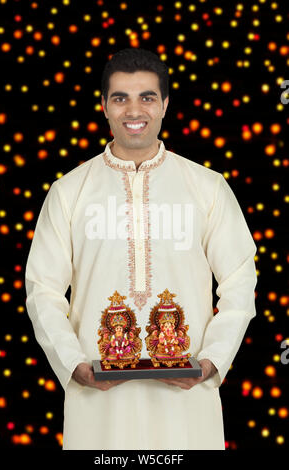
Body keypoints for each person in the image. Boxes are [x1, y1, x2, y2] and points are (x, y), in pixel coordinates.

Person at [25, 48, 257, 450]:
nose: (135, 110)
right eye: (121, 98)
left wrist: (211, 362)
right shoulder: (69, 192)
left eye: (147, 97)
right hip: (98, 405)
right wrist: (73, 363)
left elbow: (240, 279)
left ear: (165, 104)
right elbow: (42, 289)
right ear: (104, 107)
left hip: (188, 403)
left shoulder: (207, 188)